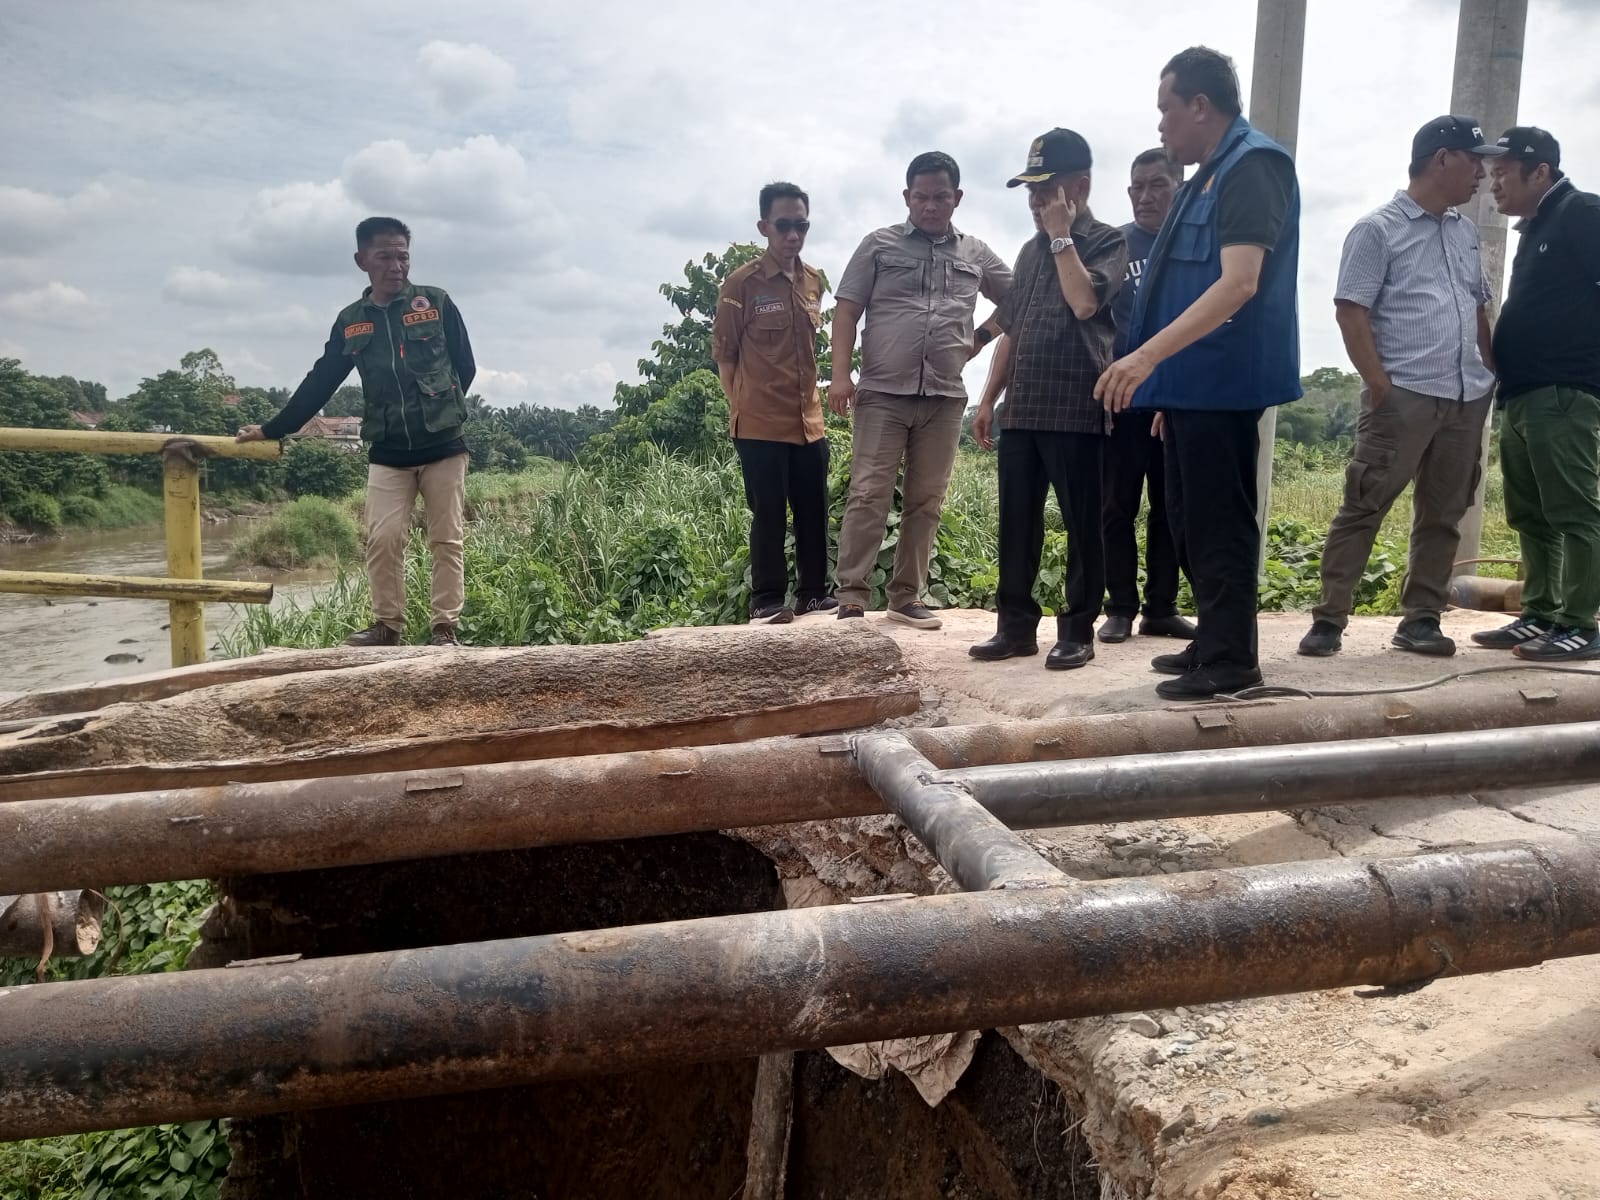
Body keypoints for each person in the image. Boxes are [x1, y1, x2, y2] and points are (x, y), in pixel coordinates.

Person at [1096, 46, 1301, 700]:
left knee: (1220, 519)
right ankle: (1213, 640)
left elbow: (1239, 284)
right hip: (1191, 386)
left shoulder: (1252, 166)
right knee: (1186, 517)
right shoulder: (1205, 177)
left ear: (1200, 106)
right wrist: (1168, 388)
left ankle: (1233, 663)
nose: (1160, 125)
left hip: (1225, 380)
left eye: (1166, 109)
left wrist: (1148, 357)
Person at [1299, 116, 1502, 660]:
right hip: (1404, 396)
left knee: (1444, 512)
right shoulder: (1378, 229)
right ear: (1442, 159)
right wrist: (1379, 385)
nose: (1483, 172)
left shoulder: (1463, 232)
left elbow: (1478, 308)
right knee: (1364, 506)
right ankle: (1329, 619)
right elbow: (1350, 311)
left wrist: (1489, 370)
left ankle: (1421, 620)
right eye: (1474, 159)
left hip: (1465, 399)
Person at [238, 217, 475, 647]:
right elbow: (322, 379)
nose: (395, 265)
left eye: (402, 255)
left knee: (446, 539)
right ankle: (388, 627)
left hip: (443, 446)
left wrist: (440, 410)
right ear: (361, 260)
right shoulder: (352, 321)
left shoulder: (436, 303)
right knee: (383, 539)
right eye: (384, 256)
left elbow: (465, 366)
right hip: (387, 450)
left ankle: (444, 629)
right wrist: (276, 428)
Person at [830, 151, 1012, 629]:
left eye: (940, 197)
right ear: (907, 197)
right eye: (921, 197)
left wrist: (981, 338)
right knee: (868, 493)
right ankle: (851, 595)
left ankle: (906, 596)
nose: (930, 206)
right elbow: (846, 310)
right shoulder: (879, 245)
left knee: (926, 500)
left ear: (957, 198)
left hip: (945, 397)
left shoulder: (975, 253)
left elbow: (1021, 298)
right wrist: (840, 375)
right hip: (883, 393)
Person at [968, 129, 1127, 669]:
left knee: (1083, 524)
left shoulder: (1106, 242)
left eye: (1046, 190)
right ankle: (1014, 627)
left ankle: (1078, 629)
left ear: (1078, 186)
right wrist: (989, 397)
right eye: (1031, 192)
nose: (1036, 203)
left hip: (1078, 409)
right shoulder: (1030, 251)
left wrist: (1063, 237)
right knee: (1017, 521)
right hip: (1025, 409)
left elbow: (1084, 304)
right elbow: (1011, 326)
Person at [1473, 127, 1600, 660]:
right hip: (1524, 394)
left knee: (1574, 511)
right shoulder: (1536, 228)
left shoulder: (1581, 213)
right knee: (1532, 514)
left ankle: (1582, 623)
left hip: (1564, 391)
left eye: (1503, 174)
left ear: (1540, 171)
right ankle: (1542, 612)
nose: (1493, 185)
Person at [712, 182, 836, 624]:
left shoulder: (813, 281)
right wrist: (740, 406)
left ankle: (814, 594)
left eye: (801, 225)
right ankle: (766, 601)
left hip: (809, 420)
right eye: (784, 225)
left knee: (813, 508)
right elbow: (725, 357)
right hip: (759, 423)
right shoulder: (741, 284)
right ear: (765, 226)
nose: (793, 235)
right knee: (768, 511)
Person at [1100, 148, 1195, 645]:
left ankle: (1161, 607)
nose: (1145, 196)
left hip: (1175, 401)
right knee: (1117, 506)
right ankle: (1119, 606)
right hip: (1121, 402)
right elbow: (1093, 320)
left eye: (1157, 184)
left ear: (1181, 185)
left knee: (1169, 508)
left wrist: (1174, 392)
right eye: (1137, 187)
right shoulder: (1116, 245)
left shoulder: (1194, 245)